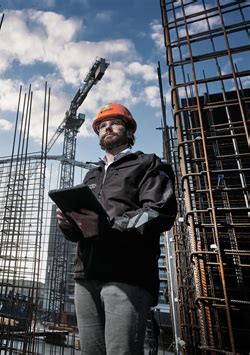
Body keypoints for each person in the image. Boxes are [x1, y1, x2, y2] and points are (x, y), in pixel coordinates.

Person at [56, 103, 177, 354]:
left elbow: (157, 213)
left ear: (130, 131)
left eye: (114, 122)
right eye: (101, 125)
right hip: (86, 276)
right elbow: (84, 230)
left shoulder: (148, 164)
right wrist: (69, 224)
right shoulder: (92, 176)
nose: (106, 127)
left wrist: (106, 227)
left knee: (121, 350)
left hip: (126, 275)